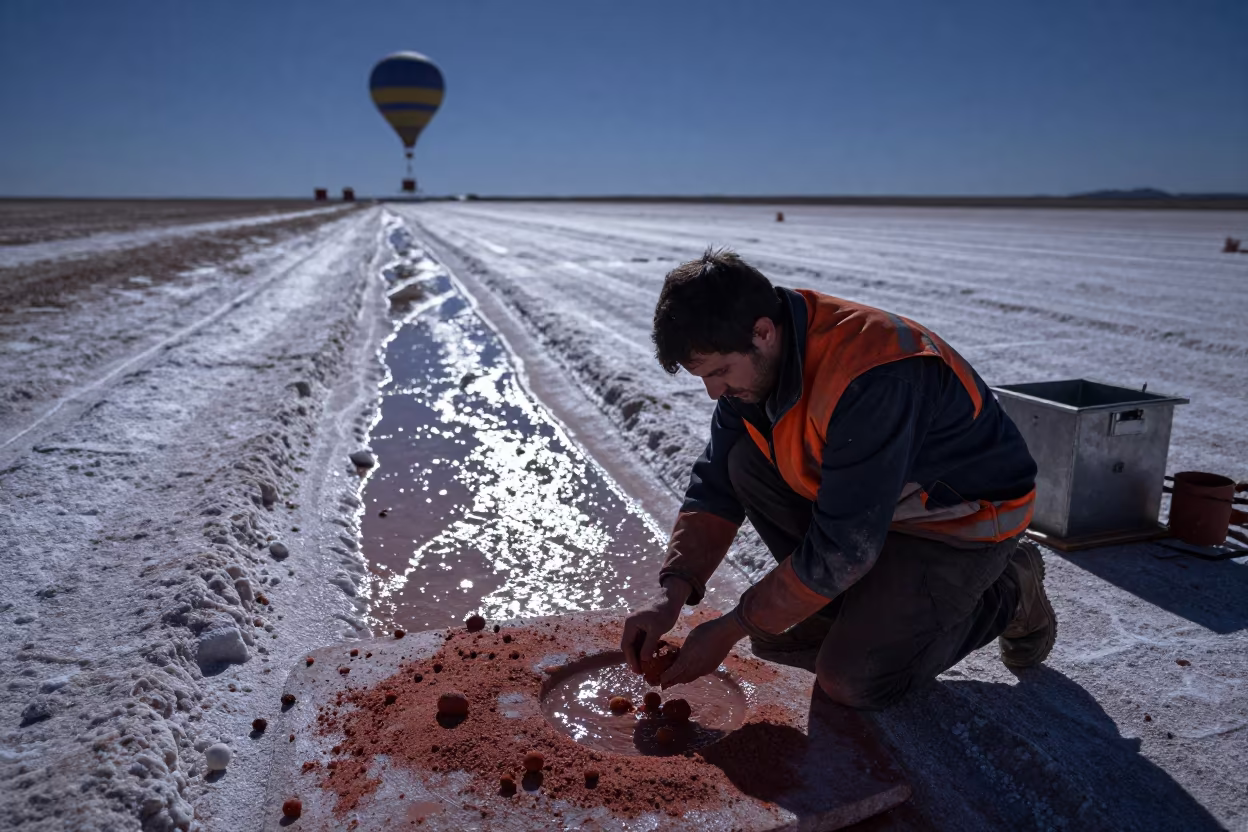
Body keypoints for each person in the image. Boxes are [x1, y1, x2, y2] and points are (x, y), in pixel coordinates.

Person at [621, 249, 1055, 710]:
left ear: (763, 333)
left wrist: (732, 626)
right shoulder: (757, 362)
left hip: (958, 522)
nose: (714, 392)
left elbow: (844, 547)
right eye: (703, 377)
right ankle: (855, 606)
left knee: (850, 679)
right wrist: (670, 593)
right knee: (744, 466)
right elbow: (715, 485)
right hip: (875, 510)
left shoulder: (873, 373)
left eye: (719, 372)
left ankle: (1010, 589)